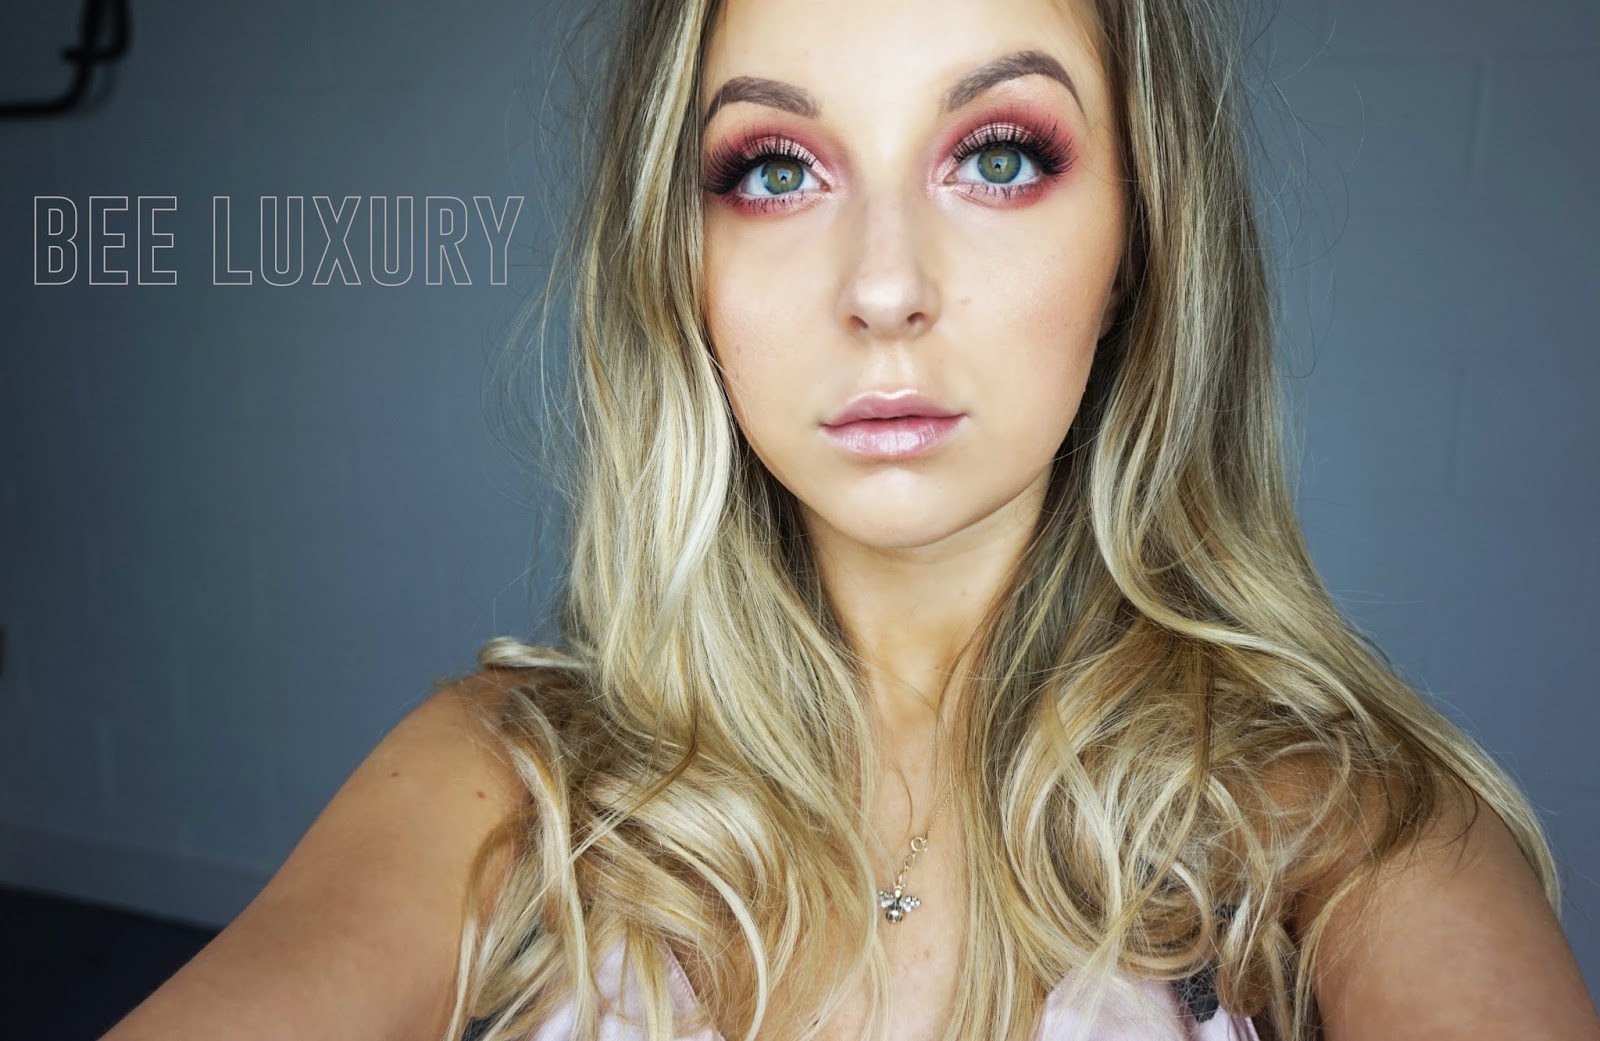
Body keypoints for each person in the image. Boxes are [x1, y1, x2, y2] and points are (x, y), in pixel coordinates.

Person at [102, 0, 1600, 1038]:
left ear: (1137, 248)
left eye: (998, 157)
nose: (883, 286)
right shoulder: (505, 780)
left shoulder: (1342, 823)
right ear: (679, 262)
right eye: (775, 170)